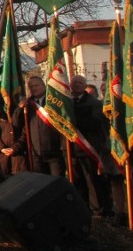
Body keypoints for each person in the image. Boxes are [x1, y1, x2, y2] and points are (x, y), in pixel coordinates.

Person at [69, 74, 111, 216]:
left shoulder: (94, 103)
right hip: (71, 149)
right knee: (77, 181)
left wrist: (74, 116)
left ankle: (98, 211)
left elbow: (97, 124)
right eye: (74, 82)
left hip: (88, 148)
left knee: (92, 182)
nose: (76, 85)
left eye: (80, 83)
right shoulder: (66, 102)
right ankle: (81, 209)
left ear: (85, 85)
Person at [11, 76, 65, 176]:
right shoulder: (28, 104)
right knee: (41, 184)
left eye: (36, 85)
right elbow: (16, 123)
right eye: (31, 86)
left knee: (56, 184)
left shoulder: (53, 102)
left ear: (43, 85)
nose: (34, 88)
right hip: (35, 153)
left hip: (54, 151)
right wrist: (19, 108)